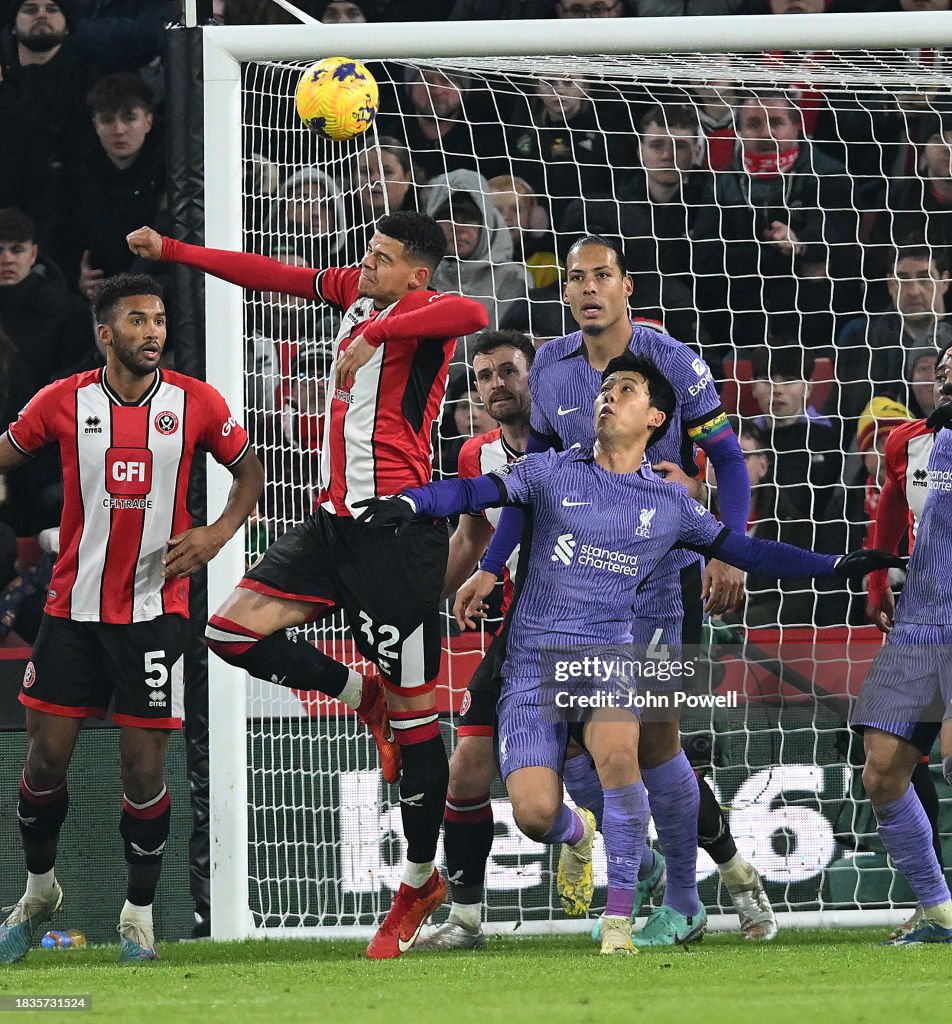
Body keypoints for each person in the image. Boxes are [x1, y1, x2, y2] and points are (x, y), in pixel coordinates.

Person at [356, 353, 899, 955]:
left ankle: (656, 912)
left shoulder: (671, 474)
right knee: (538, 804)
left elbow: (745, 540)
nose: (607, 395)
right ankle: (604, 848)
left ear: (655, 415)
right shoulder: (551, 460)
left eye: (625, 388)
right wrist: (417, 507)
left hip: (637, 632)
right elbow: (480, 492)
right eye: (604, 388)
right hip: (538, 652)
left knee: (640, 752)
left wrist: (839, 566)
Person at [126, 211, 489, 960]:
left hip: (397, 535)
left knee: (423, 727)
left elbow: (476, 310)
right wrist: (175, 252)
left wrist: (376, 336)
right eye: (368, 254)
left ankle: (419, 881)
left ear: (416, 274)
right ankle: (364, 696)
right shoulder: (354, 292)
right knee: (228, 632)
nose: (368, 268)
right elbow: (269, 274)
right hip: (330, 529)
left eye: (384, 260)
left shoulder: (425, 315)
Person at [456, 235, 775, 946]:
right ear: (564, 292)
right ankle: (671, 872)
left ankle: (691, 897)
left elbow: (727, 458)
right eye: (575, 278)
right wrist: (495, 561)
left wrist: (730, 552)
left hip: (662, 587)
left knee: (659, 746)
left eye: (602, 275)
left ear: (627, 286)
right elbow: (532, 482)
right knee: (590, 751)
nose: (589, 287)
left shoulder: (672, 362)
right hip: (569, 591)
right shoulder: (552, 366)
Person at [0, 273, 264, 964]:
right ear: (104, 334)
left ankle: (138, 917)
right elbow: (6, 454)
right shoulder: (63, 401)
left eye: (159, 320)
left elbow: (250, 474)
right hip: (71, 612)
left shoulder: (197, 403)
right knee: (44, 761)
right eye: (138, 321)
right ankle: (38, 893)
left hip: (153, 615)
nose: (153, 332)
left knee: (143, 771)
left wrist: (214, 535)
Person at [418, 329, 533, 951]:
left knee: (636, 765)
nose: (496, 384)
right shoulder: (474, 455)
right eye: (484, 375)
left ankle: (724, 876)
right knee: (465, 772)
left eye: (508, 371)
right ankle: (465, 918)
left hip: (597, 627)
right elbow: (468, 539)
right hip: (517, 632)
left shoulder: (577, 444)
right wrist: (423, 599)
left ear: (534, 376)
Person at [851, 364, 952, 944]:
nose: (948, 377)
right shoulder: (906, 441)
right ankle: (938, 912)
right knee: (883, 769)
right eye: (943, 370)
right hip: (918, 618)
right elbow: (890, 512)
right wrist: (877, 583)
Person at [69, 72, 166, 299]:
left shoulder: (173, 173)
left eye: (129, 118)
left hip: (159, 292)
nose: (119, 130)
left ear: (148, 121)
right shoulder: (79, 177)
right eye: (107, 119)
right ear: (95, 124)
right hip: (101, 297)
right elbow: (65, 237)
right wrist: (78, 279)